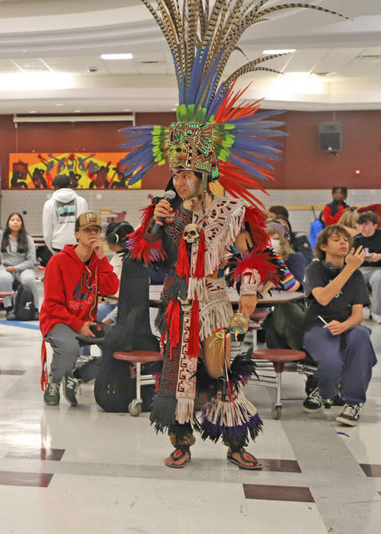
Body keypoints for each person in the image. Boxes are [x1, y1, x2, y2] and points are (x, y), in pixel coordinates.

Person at [115, 0, 320, 470]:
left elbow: (257, 257)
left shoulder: (234, 210)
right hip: (174, 300)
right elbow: (144, 255)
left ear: (205, 174)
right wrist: (153, 223)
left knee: (219, 370)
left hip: (211, 300)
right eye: (176, 172)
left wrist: (248, 291)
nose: (179, 180)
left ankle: (234, 443)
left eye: (186, 173)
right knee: (177, 373)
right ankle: (181, 440)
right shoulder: (163, 209)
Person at [39, 212, 119, 407]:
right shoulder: (58, 262)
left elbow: (111, 288)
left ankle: (76, 375)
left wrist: (102, 258)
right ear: (76, 234)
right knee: (70, 349)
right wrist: (78, 325)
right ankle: (54, 382)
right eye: (87, 230)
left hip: (85, 320)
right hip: (57, 320)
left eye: (96, 230)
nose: (92, 234)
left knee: (118, 344)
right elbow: (52, 305)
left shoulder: (97, 261)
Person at [302, 225, 375, 426]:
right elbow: (323, 298)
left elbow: (358, 314)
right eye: (337, 239)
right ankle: (325, 389)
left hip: (345, 327)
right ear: (324, 246)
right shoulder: (314, 269)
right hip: (319, 328)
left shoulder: (356, 276)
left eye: (346, 239)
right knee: (332, 361)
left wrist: (344, 326)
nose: (344, 242)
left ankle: (353, 403)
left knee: (360, 336)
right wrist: (350, 267)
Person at [264, 221, 307, 351]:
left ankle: (300, 348)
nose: (271, 242)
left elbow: (292, 287)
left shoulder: (294, 258)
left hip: (289, 305)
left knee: (285, 311)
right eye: (267, 239)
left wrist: (276, 261)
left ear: (283, 240)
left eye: (276, 239)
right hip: (260, 306)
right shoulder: (255, 259)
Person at [0, 212, 39, 320]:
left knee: (29, 279)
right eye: (12, 220)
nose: (15, 222)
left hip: (24, 267)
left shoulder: (28, 238)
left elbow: (31, 260)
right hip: (5, 266)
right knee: (5, 278)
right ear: (8, 223)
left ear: (21, 223)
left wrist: (16, 268)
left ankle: (35, 309)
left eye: (18, 220)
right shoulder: (0, 235)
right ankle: (9, 309)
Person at [41, 174, 89, 254]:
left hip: (58, 245)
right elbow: (86, 225)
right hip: (77, 245)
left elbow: (47, 231)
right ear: (69, 186)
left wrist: (51, 248)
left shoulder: (49, 204)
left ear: (55, 187)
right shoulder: (81, 201)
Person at [354, 211, 381, 323]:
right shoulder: (356, 239)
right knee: (350, 278)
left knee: (379, 279)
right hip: (360, 269)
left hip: (377, 269)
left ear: (375, 225)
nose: (363, 227)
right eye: (361, 224)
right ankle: (353, 311)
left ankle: (376, 311)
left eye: (366, 224)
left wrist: (379, 256)